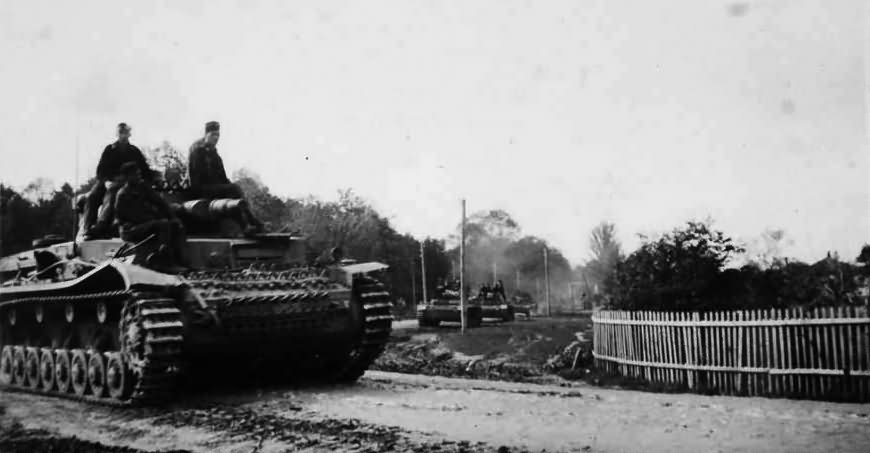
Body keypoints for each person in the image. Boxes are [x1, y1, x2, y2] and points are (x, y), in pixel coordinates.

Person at [79, 123, 155, 239]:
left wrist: (148, 180)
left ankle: (101, 224)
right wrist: (105, 182)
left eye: (125, 132)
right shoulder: (110, 149)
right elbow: (100, 171)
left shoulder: (134, 151)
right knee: (92, 196)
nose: (123, 135)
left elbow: (145, 170)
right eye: (121, 133)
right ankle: (87, 228)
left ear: (129, 134)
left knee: (112, 193)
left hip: (126, 181)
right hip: (108, 180)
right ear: (117, 134)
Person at [187, 121, 263, 234]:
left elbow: (223, 177)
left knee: (233, 193)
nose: (216, 138)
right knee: (232, 190)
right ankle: (251, 222)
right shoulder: (197, 150)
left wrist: (230, 187)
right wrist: (229, 188)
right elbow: (196, 176)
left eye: (218, 135)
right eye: (213, 135)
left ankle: (249, 225)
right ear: (206, 134)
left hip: (212, 188)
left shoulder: (214, 154)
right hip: (200, 188)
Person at [115, 161, 188, 270]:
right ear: (127, 177)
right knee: (162, 225)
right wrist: (154, 219)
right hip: (130, 229)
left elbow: (161, 203)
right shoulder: (123, 194)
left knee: (175, 225)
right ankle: (165, 263)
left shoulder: (143, 187)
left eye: (139, 174)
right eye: (135, 174)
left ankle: (180, 260)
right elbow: (132, 217)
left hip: (144, 224)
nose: (139, 176)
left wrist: (173, 218)